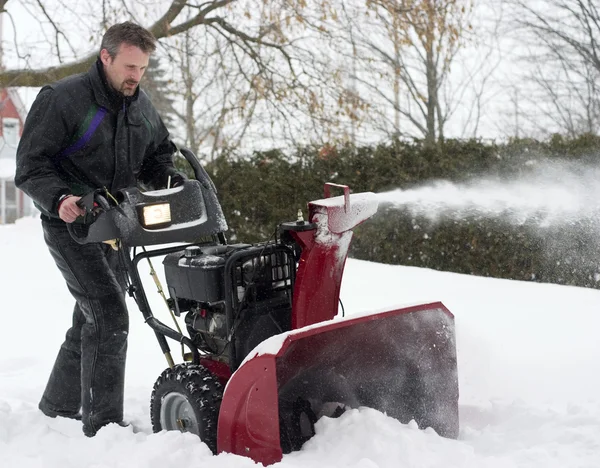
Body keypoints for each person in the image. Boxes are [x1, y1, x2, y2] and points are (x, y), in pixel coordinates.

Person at [15, 21, 186, 437]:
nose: (135, 77)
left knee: (90, 318)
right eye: (129, 67)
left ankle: (56, 405)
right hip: (71, 225)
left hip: (119, 225)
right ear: (105, 57)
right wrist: (59, 198)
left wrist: (172, 180)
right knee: (110, 316)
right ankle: (104, 427)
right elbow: (30, 166)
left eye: (142, 69)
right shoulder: (62, 99)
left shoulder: (140, 107)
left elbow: (157, 156)